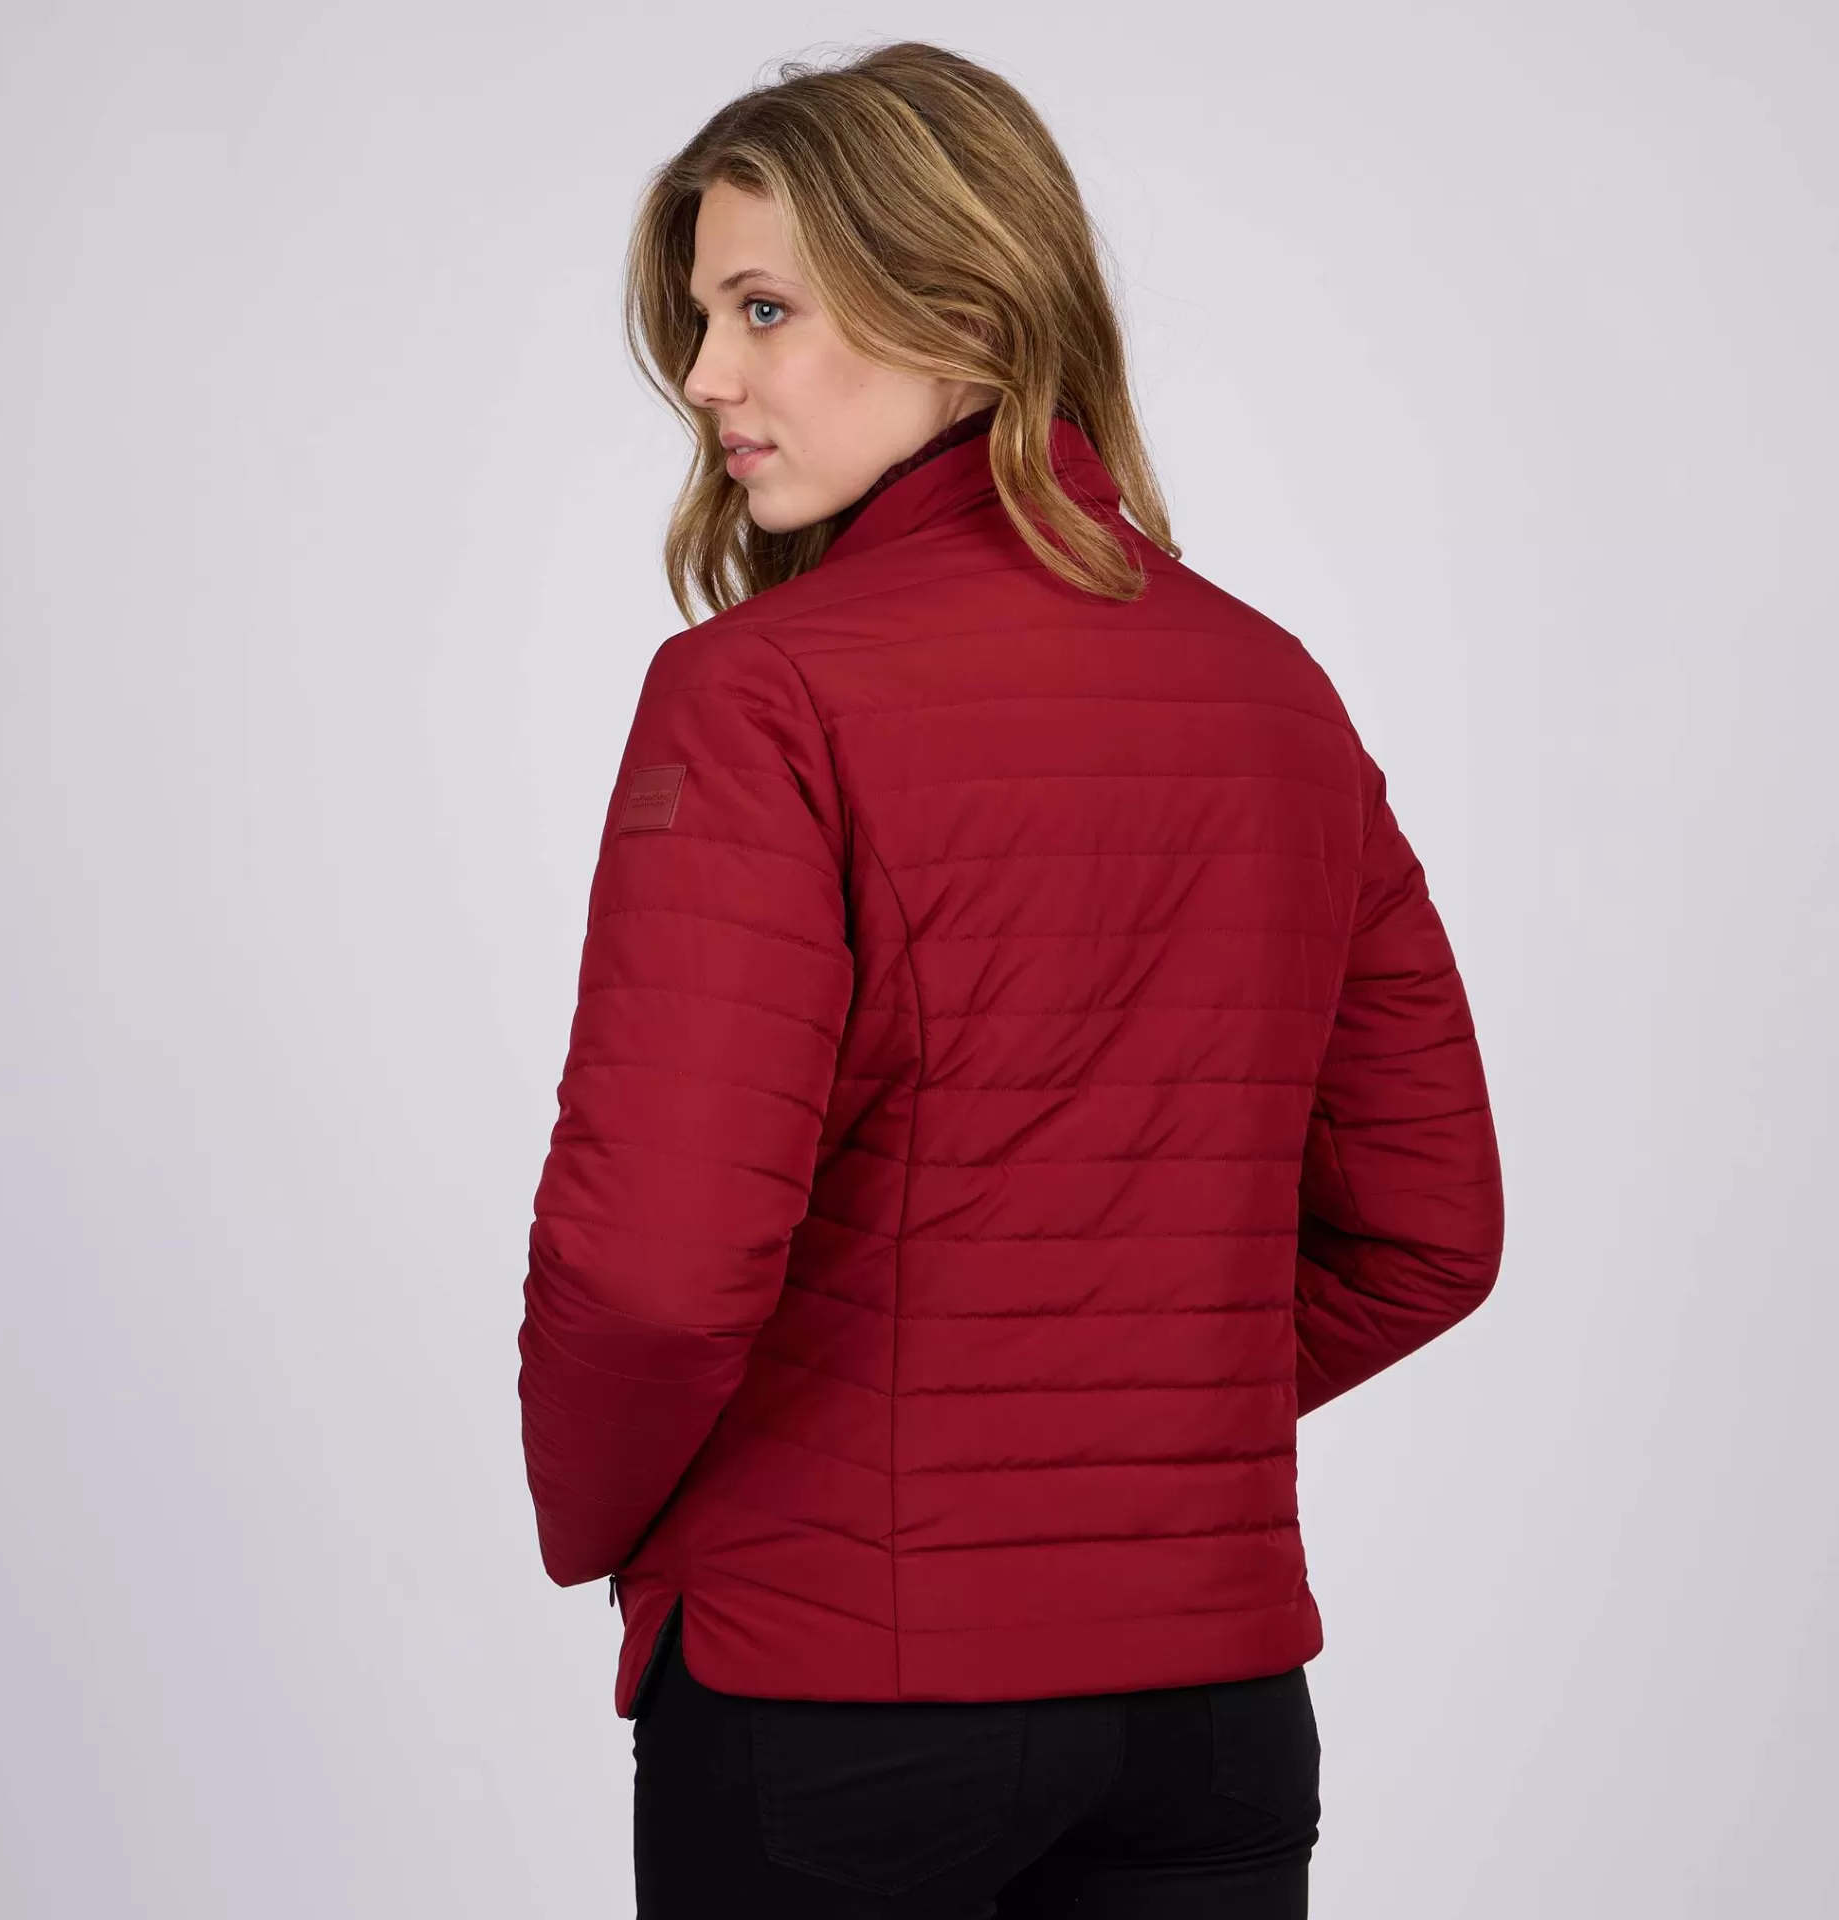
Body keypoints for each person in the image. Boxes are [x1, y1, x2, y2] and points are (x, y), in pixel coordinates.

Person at [516, 38, 1504, 1917]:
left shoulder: (759, 695)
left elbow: (648, 1278)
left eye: (763, 308)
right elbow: (1431, 1224)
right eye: (706, 317)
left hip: (834, 1692)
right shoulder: (1275, 695)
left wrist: (626, 1524)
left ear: (964, 313)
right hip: (1210, 1716)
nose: (706, 375)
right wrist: (1121, 1439)